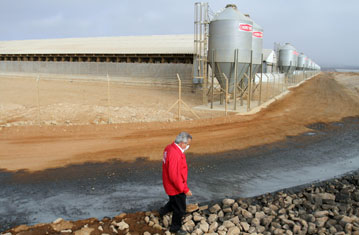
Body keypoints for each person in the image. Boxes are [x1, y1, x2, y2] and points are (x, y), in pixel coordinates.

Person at [159, 132, 192, 235]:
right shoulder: (175, 154)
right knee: (180, 208)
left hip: (169, 184)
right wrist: (185, 189)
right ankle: (175, 228)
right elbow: (174, 176)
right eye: (187, 144)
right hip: (175, 186)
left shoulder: (169, 148)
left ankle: (162, 212)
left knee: (173, 201)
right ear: (182, 143)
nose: (188, 146)